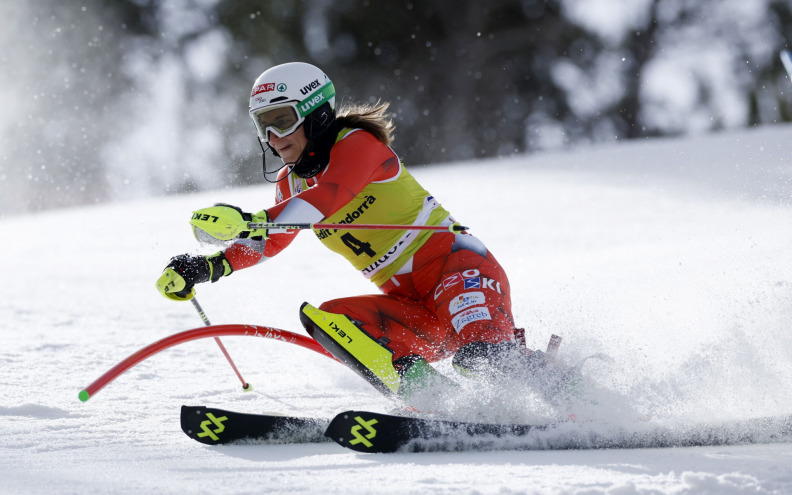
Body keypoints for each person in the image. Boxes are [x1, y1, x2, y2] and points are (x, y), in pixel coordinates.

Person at [155, 62, 560, 410]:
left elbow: (328, 198)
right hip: (410, 304)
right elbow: (270, 241)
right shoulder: (289, 185)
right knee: (329, 320)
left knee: (484, 359)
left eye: (282, 120)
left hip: (458, 270)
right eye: (264, 126)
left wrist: (251, 219)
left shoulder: (356, 145)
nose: (275, 138)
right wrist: (207, 267)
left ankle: (575, 391)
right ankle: (440, 406)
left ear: (315, 112)